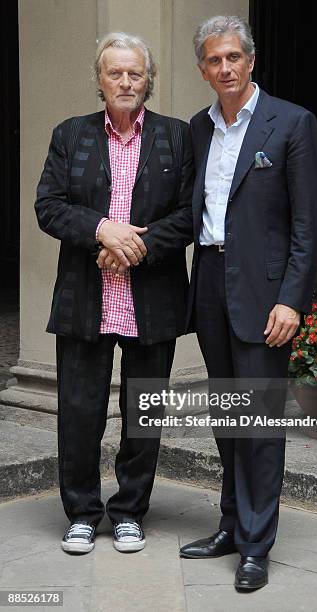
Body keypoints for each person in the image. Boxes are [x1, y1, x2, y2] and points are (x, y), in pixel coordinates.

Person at [179, 16, 317, 592]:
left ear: (251, 59)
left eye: (234, 57)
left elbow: (308, 225)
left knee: (259, 422)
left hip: (266, 296)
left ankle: (256, 545)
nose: (225, 69)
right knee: (228, 418)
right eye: (214, 61)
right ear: (203, 68)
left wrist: (292, 299)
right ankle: (232, 523)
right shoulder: (199, 127)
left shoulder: (291, 123)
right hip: (211, 282)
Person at [35, 32, 193, 555]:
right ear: (99, 80)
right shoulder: (70, 135)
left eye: (135, 73)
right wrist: (104, 230)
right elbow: (50, 206)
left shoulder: (176, 137)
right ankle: (82, 512)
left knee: (144, 410)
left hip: (152, 299)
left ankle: (128, 510)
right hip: (86, 297)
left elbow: (190, 213)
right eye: (115, 73)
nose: (126, 82)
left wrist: (135, 248)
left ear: (149, 80)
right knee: (79, 411)